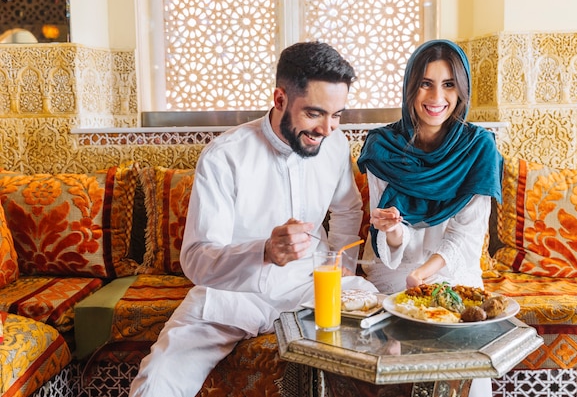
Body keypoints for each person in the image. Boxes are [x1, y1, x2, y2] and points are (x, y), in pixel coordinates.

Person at [129, 41, 377, 397]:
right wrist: (264, 251)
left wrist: (341, 266)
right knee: (158, 380)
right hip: (233, 293)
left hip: (313, 287)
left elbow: (347, 208)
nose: (327, 128)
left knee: (385, 330)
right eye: (315, 114)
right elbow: (196, 259)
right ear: (279, 100)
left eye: (337, 115)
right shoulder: (224, 157)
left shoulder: (334, 145)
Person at [357, 39, 503, 396]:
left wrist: (422, 276)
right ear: (410, 87)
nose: (437, 96)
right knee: (396, 367)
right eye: (426, 83)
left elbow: (465, 238)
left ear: (461, 90)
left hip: (452, 272)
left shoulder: (478, 147)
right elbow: (390, 234)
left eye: (448, 84)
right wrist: (392, 231)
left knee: (466, 371)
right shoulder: (383, 147)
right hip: (394, 272)